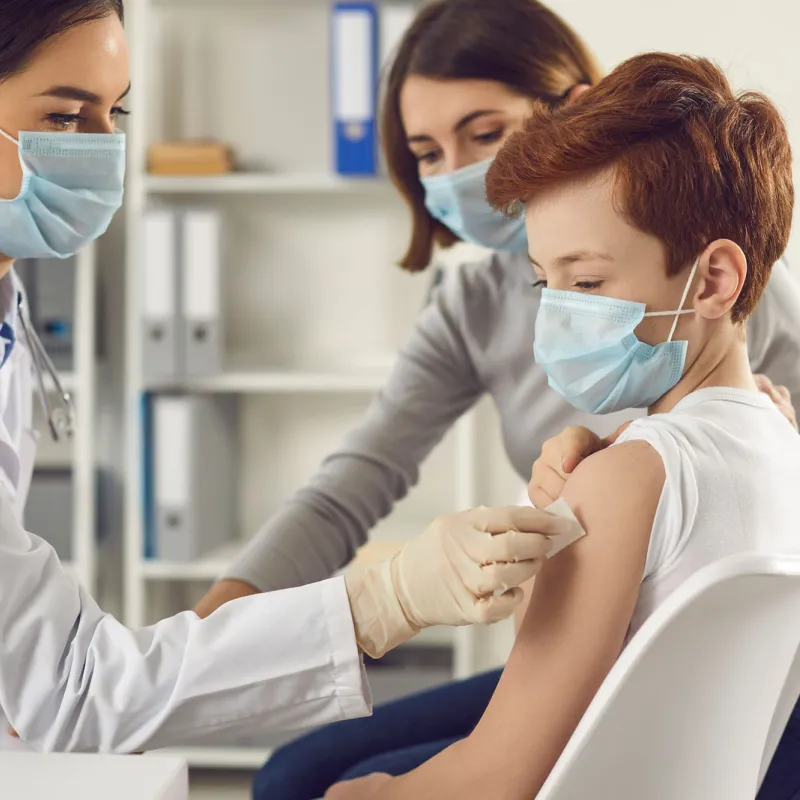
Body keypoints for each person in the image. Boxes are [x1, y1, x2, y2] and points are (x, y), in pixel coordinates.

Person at [248, 1, 800, 796]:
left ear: (715, 279)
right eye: (546, 284)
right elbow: (353, 483)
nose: (557, 315)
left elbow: (498, 778)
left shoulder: (622, 480)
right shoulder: (769, 439)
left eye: (587, 283)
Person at [0, 0, 571, 754]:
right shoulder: (473, 304)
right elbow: (348, 488)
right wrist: (369, 602)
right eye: (68, 117)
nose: (109, 150)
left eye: (114, 112)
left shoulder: (699, 285)